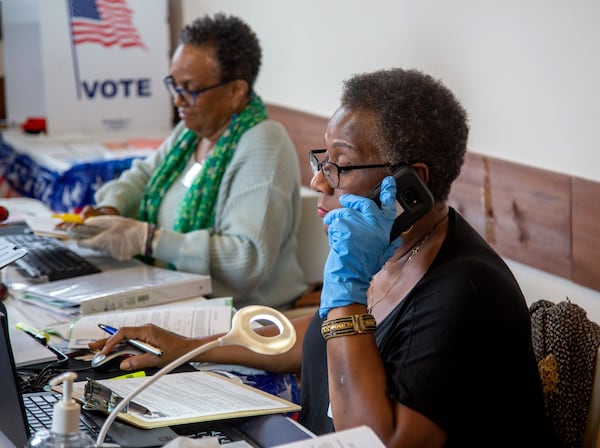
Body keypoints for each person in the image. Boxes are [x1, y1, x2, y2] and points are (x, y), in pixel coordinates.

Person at [89, 68, 559, 447]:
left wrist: (347, 291)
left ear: (410, 184)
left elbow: (371, 442)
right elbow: (311, 343)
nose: (319, 181)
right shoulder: (387, 248)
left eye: (341, 163)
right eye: (322, 160)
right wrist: (188, 348)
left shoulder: (465, 292)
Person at [73, 13, 307, 310]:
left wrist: (148, 240)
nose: (177, 100)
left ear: (236, 92)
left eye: (190, 90)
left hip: (239, 316)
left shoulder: (264, 145)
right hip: (175, 295)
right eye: (175, 85)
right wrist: (112, 207)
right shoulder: (191, 133)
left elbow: (246, 260)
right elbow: (144, 175)